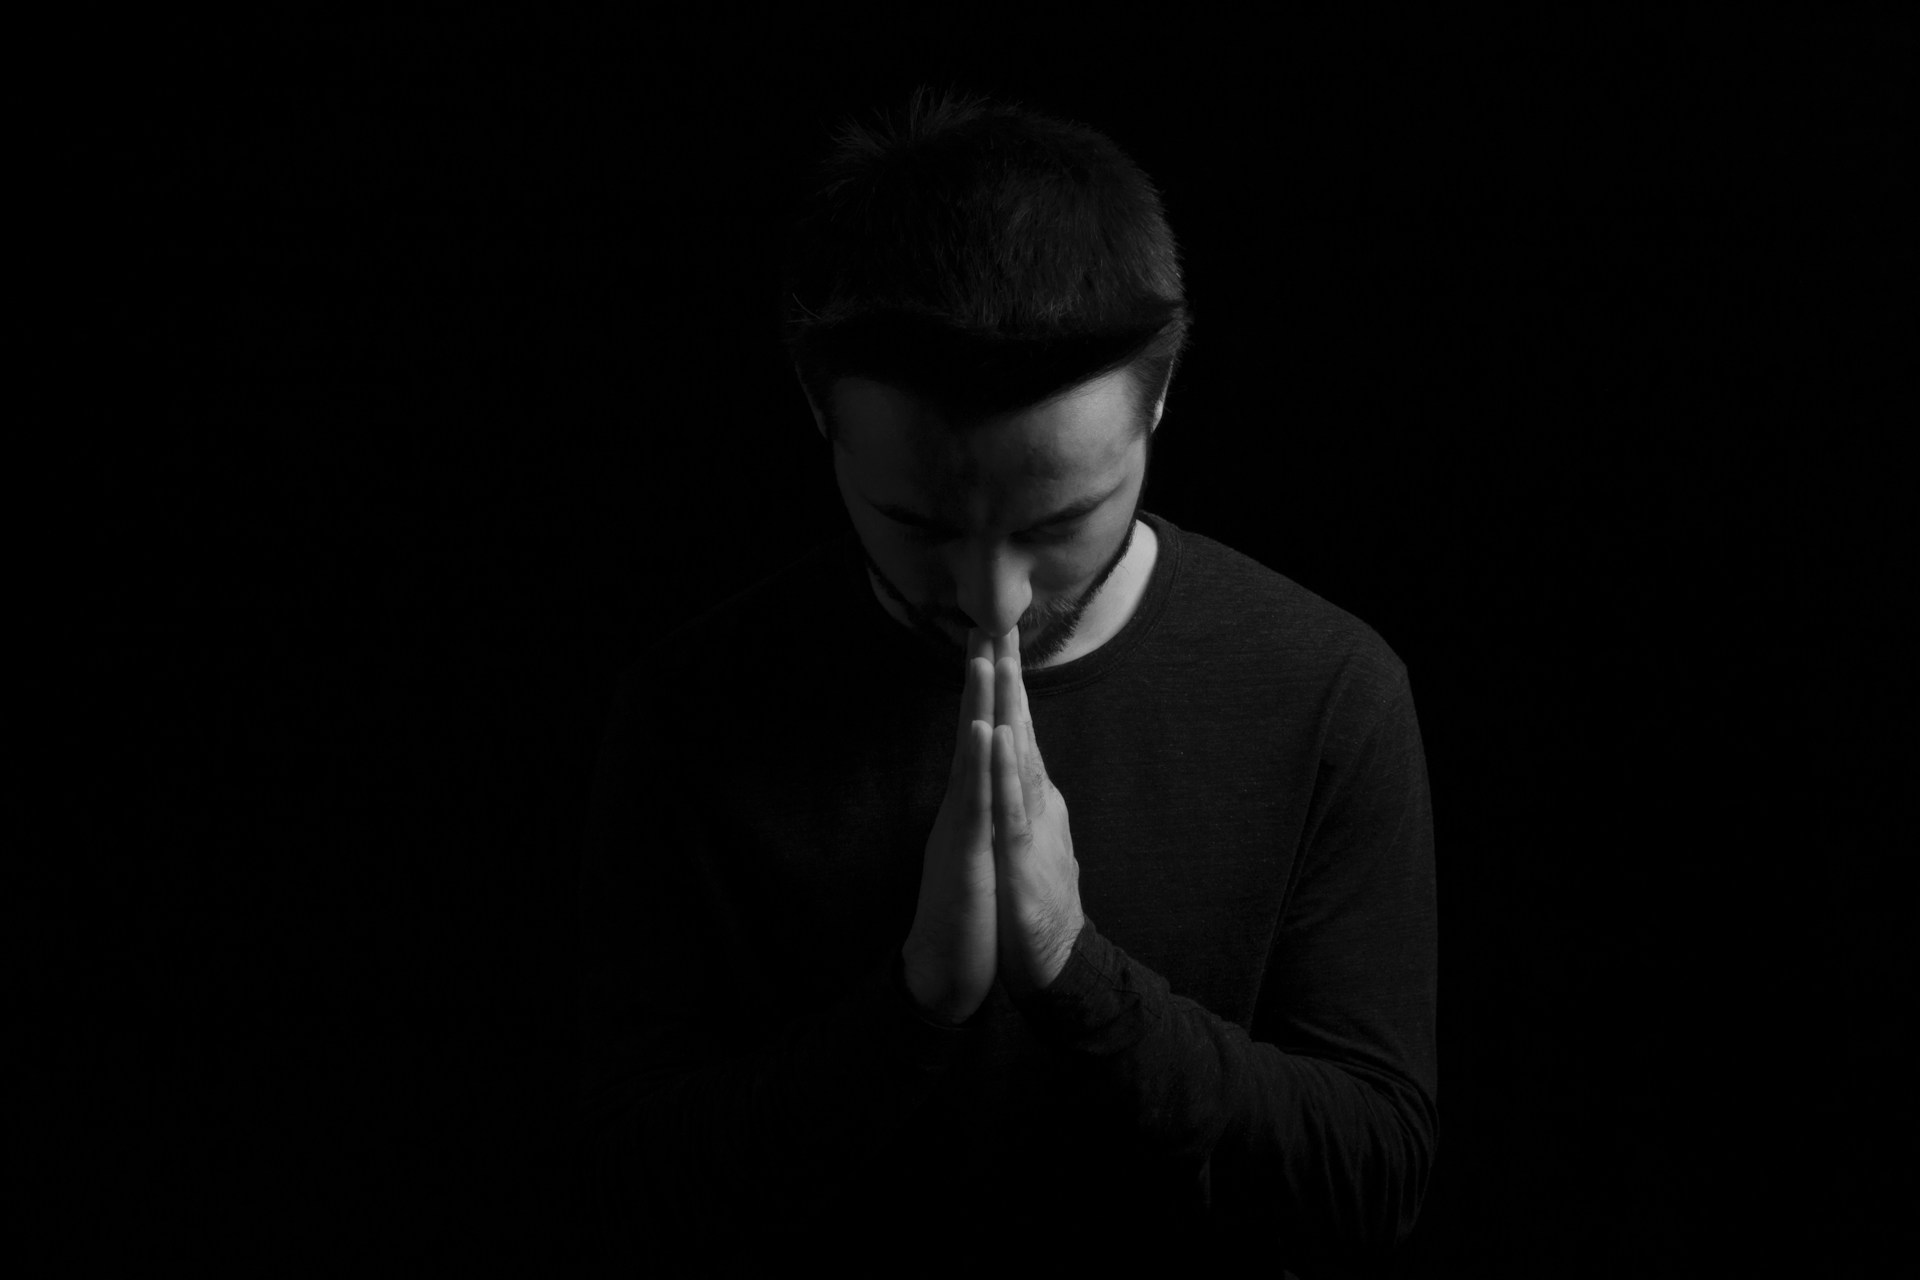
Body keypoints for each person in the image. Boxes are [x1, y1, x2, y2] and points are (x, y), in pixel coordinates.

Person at [574, 85, 1438, 1276]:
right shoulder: (688, 709)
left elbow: (1372, 1178)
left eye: (1061, 519)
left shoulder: (1330, 691)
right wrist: (919, 998)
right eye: (918, 521)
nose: (994, 596)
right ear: (817, 413)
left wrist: (1074, 967)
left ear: (1162, 401)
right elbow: (624, 1190)